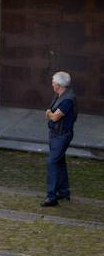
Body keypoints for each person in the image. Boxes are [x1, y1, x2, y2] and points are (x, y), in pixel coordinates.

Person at [41, 72, 78, 207]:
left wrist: (49, 114)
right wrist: (51, 113)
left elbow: (55, 116)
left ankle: (51, 196)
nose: (52, 84)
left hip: (61, 135)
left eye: (53, 82)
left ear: (59, 85)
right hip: (55, 134)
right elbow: (51, 112)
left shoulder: (67, 99)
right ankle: (63, 191)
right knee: (59, 161)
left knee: (52, 162)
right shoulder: (59, 96)